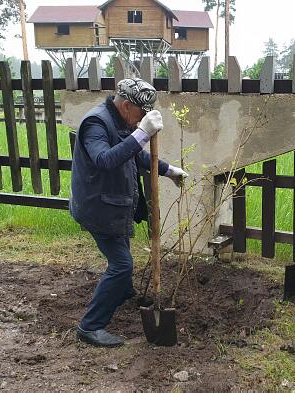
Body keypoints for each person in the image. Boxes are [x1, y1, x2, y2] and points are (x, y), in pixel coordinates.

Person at [69, 78, 188, 347]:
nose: (142, 119)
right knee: (122, 265)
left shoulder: (121, 122)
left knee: (122, 258)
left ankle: (122, 292)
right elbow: (105, 159)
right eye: (141, 114)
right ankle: (90, 326)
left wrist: (169, 170)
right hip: (98, 208)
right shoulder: (96, 124)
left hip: (115, 206)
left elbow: (136, 156)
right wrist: (142, 134)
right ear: (125, 106)